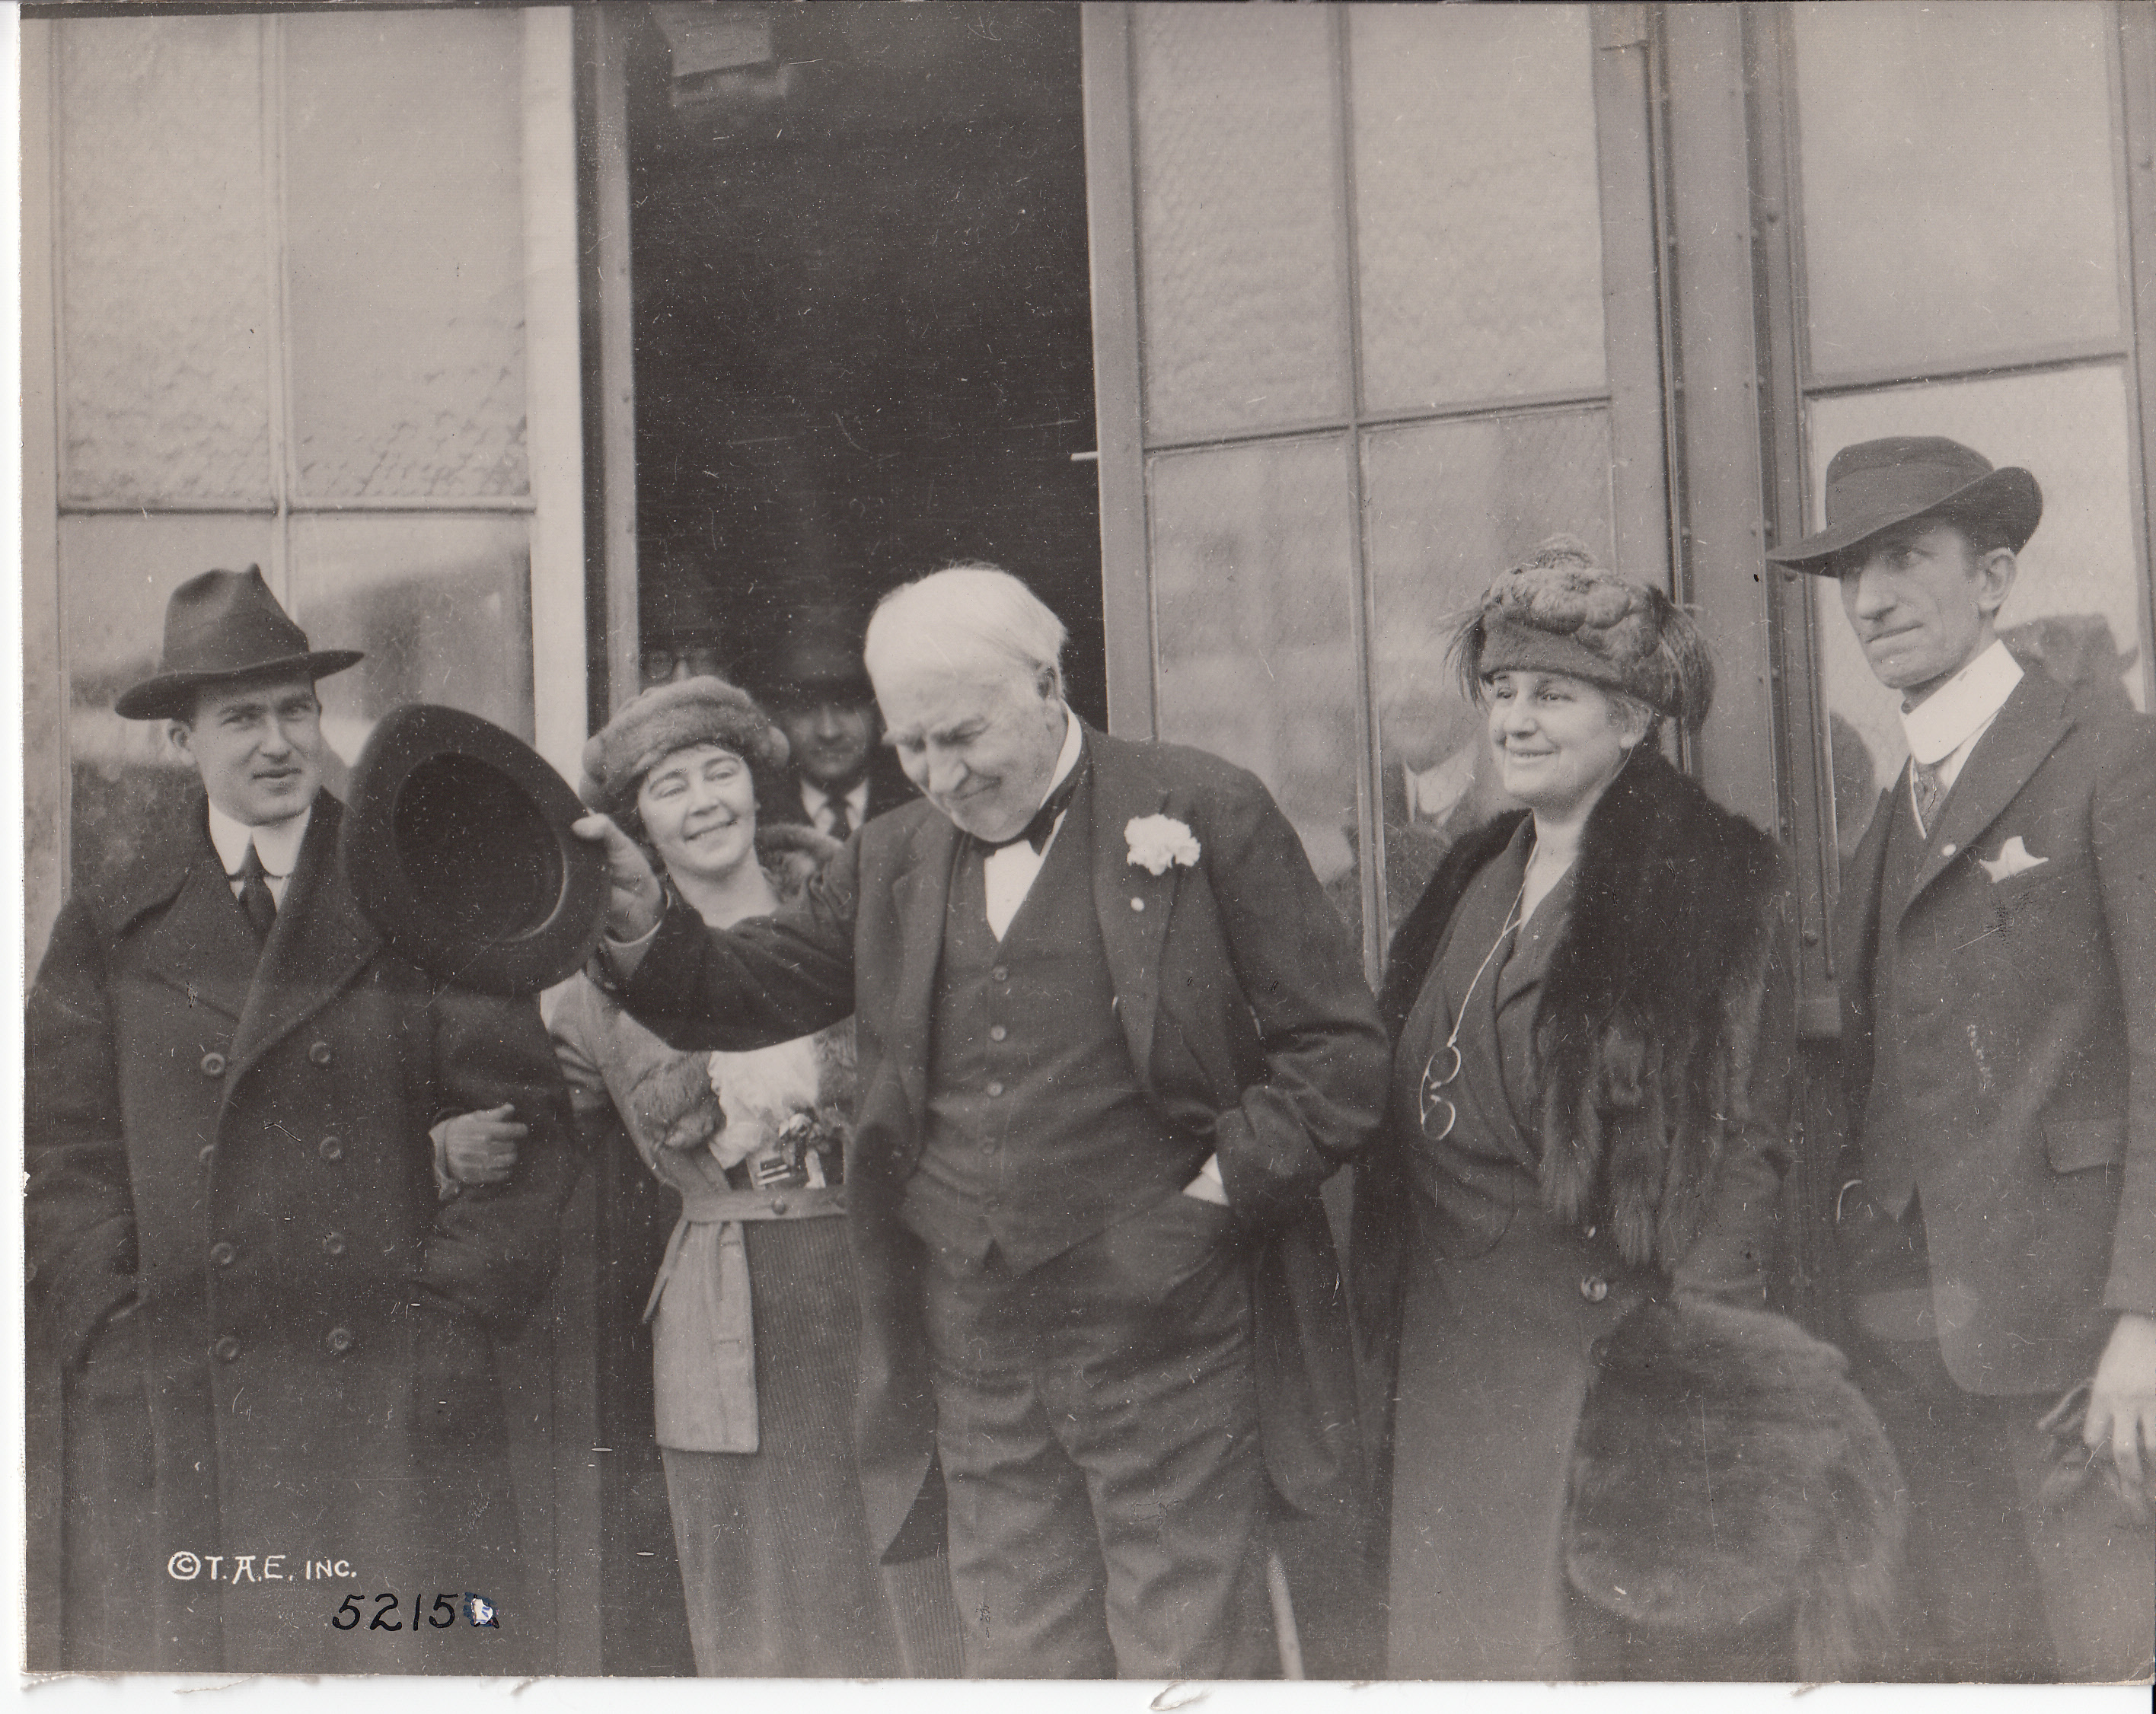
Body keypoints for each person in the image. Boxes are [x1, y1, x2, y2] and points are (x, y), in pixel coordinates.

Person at [574, 565, 1389, 1678]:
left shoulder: (1203, 809)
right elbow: (742, 988)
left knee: (1184, 1647)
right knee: (1015, 1652)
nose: (941, 777)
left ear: (1047, 686)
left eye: (961, 738)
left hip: (1167, 1325)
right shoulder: (893, 855)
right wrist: (639, 922)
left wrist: (1207, 1205)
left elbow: (1339, 1056)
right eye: (910, 749)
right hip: (974, 1341)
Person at [23, 566, 581, 1674]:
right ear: (182, 742)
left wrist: (446, 1321)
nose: (278, 744)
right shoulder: (115, 921)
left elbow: (525, 1131)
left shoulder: (414, 892)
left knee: (397, 1671)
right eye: (240, 719)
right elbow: (55, 1151)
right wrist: (112, 1318)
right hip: (186, 1404)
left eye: (295, 711)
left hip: (386, 1401)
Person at [1350, 540, 1797, 1678]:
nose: (1517, 721)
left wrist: (1700, 1379)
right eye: (1501, 693)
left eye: (1555, 694)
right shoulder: (1478, 871)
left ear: (1636, 720)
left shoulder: (1704, 874)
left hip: (1593, 1363)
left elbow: (1738, 1140)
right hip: (1453, 1356)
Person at [1768, 435, 2156, 1681]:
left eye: (1902, 558)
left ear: (1992, 579)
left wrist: (2146, 1323)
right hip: (1918, 1347)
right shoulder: (1892, 809)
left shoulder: (2106, 757)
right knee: (1976, 1670)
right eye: (1849, 575)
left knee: (2110, 1664)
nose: (1870, 599)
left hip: (2079, 1356)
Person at [498, 676, 960, 1675]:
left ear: (760, 795)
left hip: (877, 1274)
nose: (704, 799)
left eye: (722, 773)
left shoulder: (857, 923)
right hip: (725, 1309)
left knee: (909, 1574)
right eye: (672, 786)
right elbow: (549, 1139)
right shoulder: (589, 993)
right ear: (636, 828)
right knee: (758, 1589)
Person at [757, 625, 915, 839]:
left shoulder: (918, 802)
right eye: (805, 709)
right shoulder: (758, 818)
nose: (828, 732)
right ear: (777, 718)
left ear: (878, 711)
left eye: (847, 707)